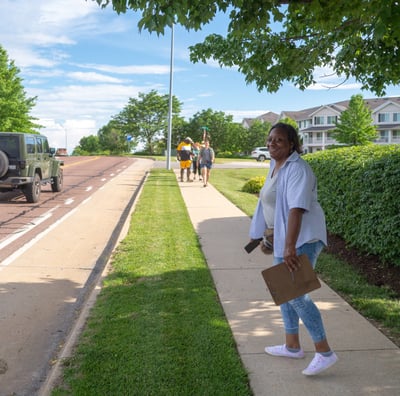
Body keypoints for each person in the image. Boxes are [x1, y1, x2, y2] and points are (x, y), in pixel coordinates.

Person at [249, 122, 338, 376]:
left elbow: (296, 208)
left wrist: (288, 246)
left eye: (279, 140)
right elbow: (276, 205)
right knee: (284, 291)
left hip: (304, 239)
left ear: (291, 144)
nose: (272, 144)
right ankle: (291, 345)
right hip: (286, 237)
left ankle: (324, 352)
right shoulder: (275, 165)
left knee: (297, 293)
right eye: (270, 140)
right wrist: (269, 236)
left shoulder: (298, 169)